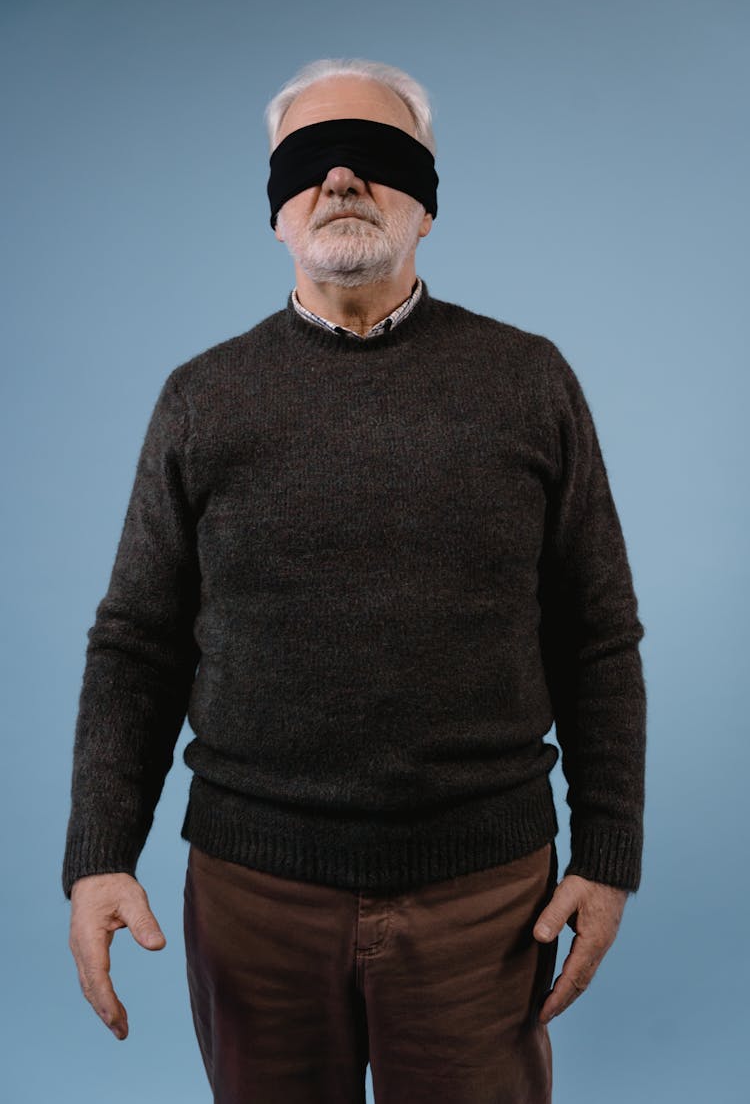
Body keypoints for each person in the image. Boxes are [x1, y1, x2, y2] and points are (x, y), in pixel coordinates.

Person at [62, 57, 647, 1103]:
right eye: (307, 164)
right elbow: (138, 643)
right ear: (277, 211)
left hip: (484, 897)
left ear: (425, 202)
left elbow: (595, 634)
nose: (340, 179)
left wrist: (608, 854)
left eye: (375, 158)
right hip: (253, 898)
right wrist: (100, 854)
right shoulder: (203, 400)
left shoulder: (529, 382)